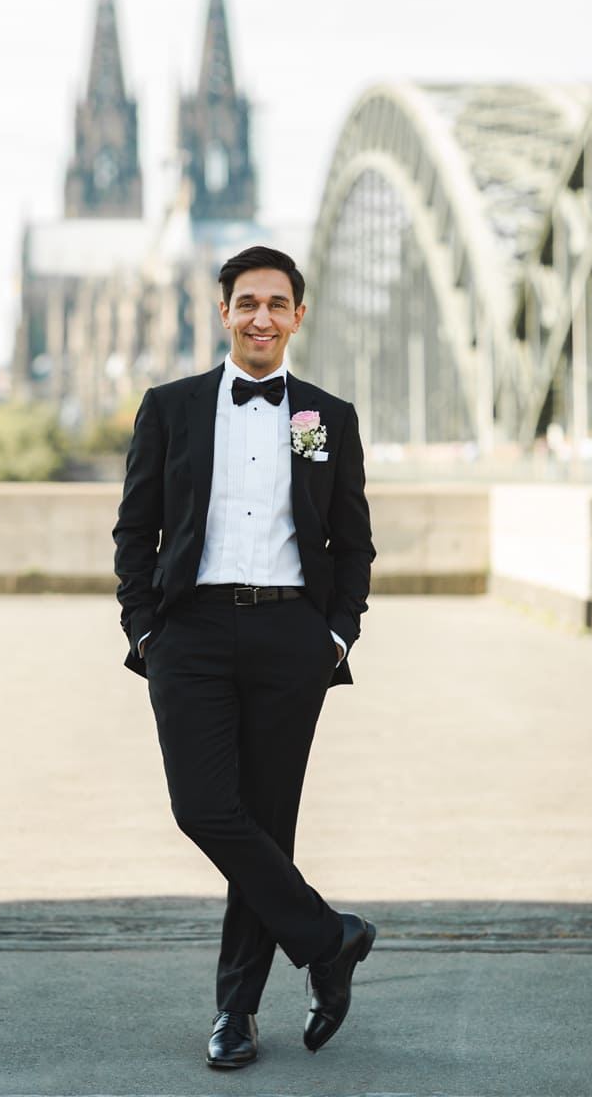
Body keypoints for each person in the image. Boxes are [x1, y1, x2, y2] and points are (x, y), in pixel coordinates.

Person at [111, 246, 378, 1070]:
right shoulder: (171, 407)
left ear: (298, 316)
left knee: (266, 828)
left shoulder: (327, 417)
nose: (261, 316)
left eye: (277, 303)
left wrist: (335, 634)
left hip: (290, 637)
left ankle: (236, 1013)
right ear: (223, 311)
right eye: (246, 302)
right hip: (188, 634)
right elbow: (135, 528)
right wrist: (144, 629)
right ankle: (328, 938)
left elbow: (354, 541)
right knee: (204, 809)